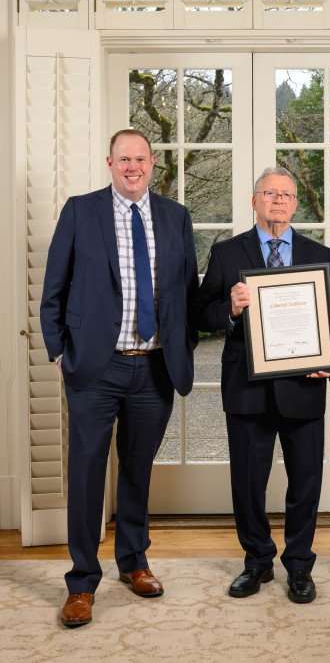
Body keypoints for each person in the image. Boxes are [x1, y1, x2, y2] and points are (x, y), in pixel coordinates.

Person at [40, 129, 198, 627]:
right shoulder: (80, 211)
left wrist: (183, 346)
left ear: (154, 162)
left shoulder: (175, 216)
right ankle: (82, 581)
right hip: (95, 365)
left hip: (153, 366)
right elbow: (53, 290)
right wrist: (59, 353)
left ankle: (133, 561)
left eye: (141, 158)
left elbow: (187, 295)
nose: (133, 167)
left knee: (137, 468)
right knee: (87, 473)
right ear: (110, 162)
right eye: (124, 158)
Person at [196, 167, 330, 604]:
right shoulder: (226, 253)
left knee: (306, 481)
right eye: (269, 193)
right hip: (247, 387)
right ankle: (257, 560)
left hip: (303, 386)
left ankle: (299, 565)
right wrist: (230, 310)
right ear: (254, 200)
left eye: (287, 195)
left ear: (296, 204)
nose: (278, 201)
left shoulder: (321, 253)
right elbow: (200, 315)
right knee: (247, 481)